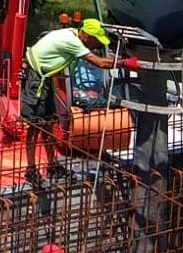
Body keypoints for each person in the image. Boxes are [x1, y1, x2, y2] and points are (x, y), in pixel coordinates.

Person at [19, 18, 137, 185]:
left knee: (49, 122)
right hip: (37, 80)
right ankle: (31, 170)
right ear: (87, 36)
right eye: (97, 42)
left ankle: (52, 165)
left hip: (44, 77)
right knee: (36, 125)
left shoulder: (72, 34)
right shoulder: (72, 41)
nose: (97, 47)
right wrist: (125, 63)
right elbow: (100, 63)